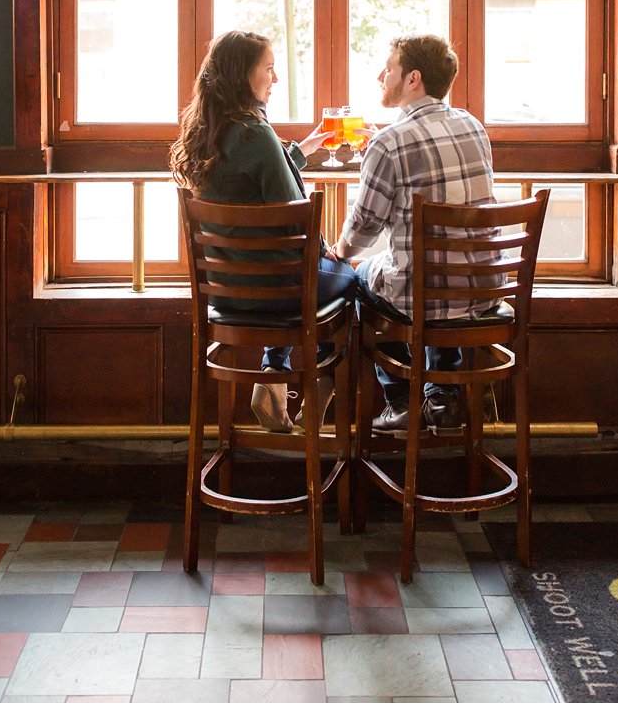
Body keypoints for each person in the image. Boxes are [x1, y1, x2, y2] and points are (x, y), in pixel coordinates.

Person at [170, 30, 358, 432]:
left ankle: (272, 379)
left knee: (293, 272)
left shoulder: (209, 129)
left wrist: (298, 152)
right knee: (352, 281)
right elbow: (296, 217)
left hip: (226, 291)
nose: (275, 79)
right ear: (243, 75)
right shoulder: (257, 132)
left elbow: (248, 179)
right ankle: (316, 382)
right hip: (277, 294)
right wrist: (330, 253)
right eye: (269, 68)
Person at [331, 33, 495, 433]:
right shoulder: (473, 126)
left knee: (357, 278)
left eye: (388, 68)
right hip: (485, 290)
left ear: (412, 79)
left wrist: (339, 250)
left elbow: (364, 229)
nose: (379, 76)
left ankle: (403, 400)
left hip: (426, 298)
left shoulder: (389, 144)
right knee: (436, 277)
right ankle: (442, 396)